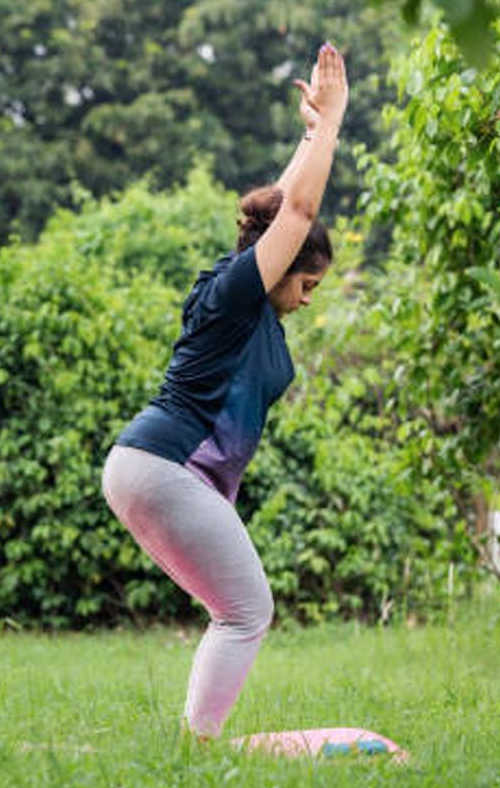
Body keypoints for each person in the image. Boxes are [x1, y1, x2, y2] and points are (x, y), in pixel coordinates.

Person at [101, 42, 349, 739]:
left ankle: (195, 746)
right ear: (276, 270)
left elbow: (283, 212)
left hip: (153, 468)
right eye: (307, 283)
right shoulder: (240, 293)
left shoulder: (249, 296)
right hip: (164, 465)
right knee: (246, 610)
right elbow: (295, 214)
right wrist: (331, 124)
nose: (307, 300)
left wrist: (308, 135)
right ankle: (199, 750)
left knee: (237, 609)